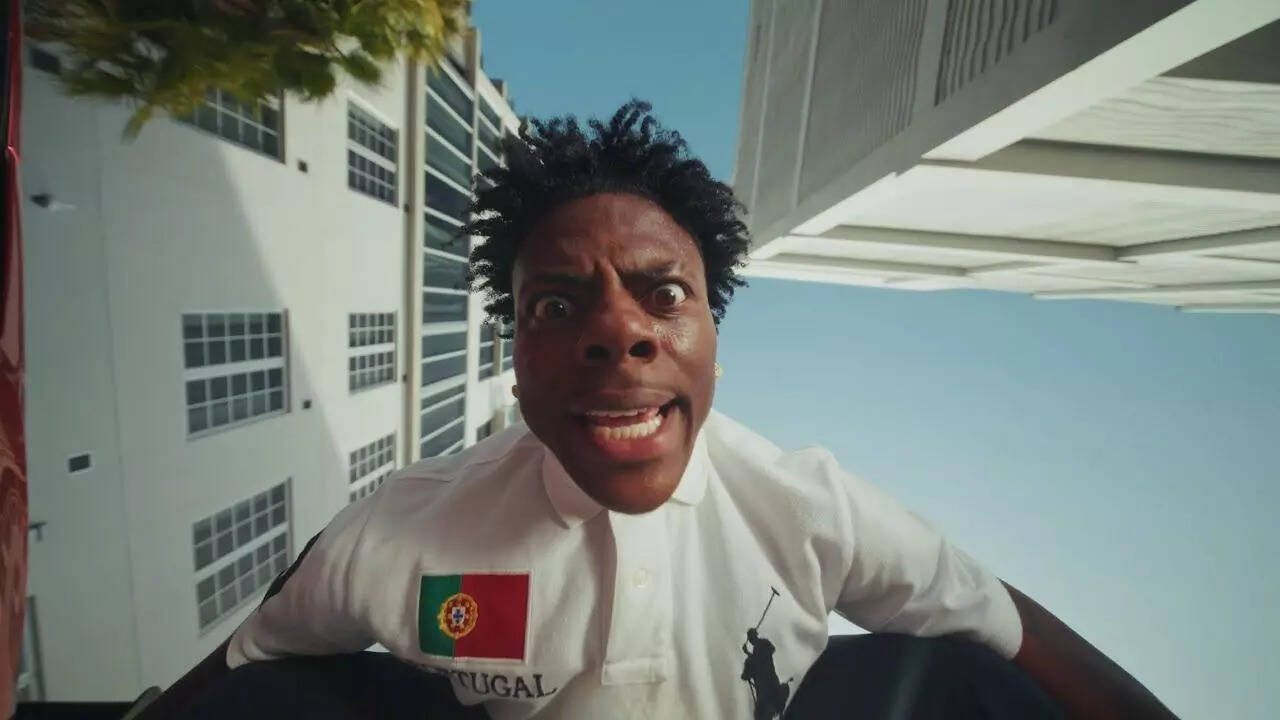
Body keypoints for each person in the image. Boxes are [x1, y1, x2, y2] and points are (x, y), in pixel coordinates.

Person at [145, 100, 1177, 720]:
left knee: (951, 682)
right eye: (558, 306)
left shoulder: (806, 506)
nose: (617, 332)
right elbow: (248, 655)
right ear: (518, 364)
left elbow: (1011, 629)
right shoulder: (400, 532)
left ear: (710, 345)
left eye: (663, 294)